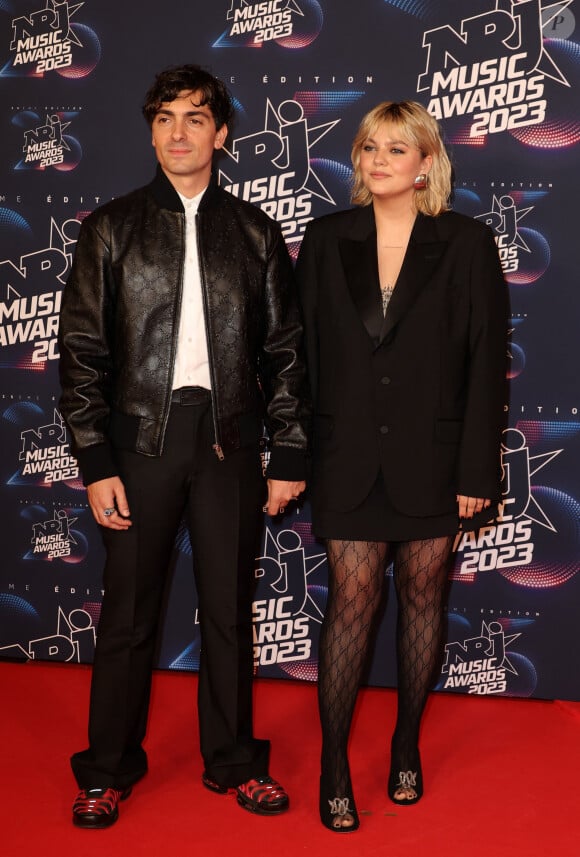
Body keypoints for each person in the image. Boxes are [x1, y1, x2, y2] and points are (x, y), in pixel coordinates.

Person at [58, 64, 309, 829]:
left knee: (231, 611)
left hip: (229, 444)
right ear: (151, 131)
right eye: (164, 118)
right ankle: (106, 770)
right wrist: (96, 460)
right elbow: (81, 355)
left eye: (195, 118)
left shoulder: (255, 232)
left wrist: (290, 451)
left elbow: (287, 354)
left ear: (222, 133)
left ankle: (234, 759)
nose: (178, 133)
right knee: (128, 615)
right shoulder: (112, 227)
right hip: (140, 445)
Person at [296, 101, 508, 832]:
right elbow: (302, 361)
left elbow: (485, 366)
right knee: (351, 602)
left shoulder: (467, 243)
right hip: (346, 457)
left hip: (435, 461)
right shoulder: (326, 241)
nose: (378, 159)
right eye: (367, 148)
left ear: (426, 164)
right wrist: (296, 454)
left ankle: (407, 744)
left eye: (396, 148)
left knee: (423, 602)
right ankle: (332, 763)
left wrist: (478, 470)